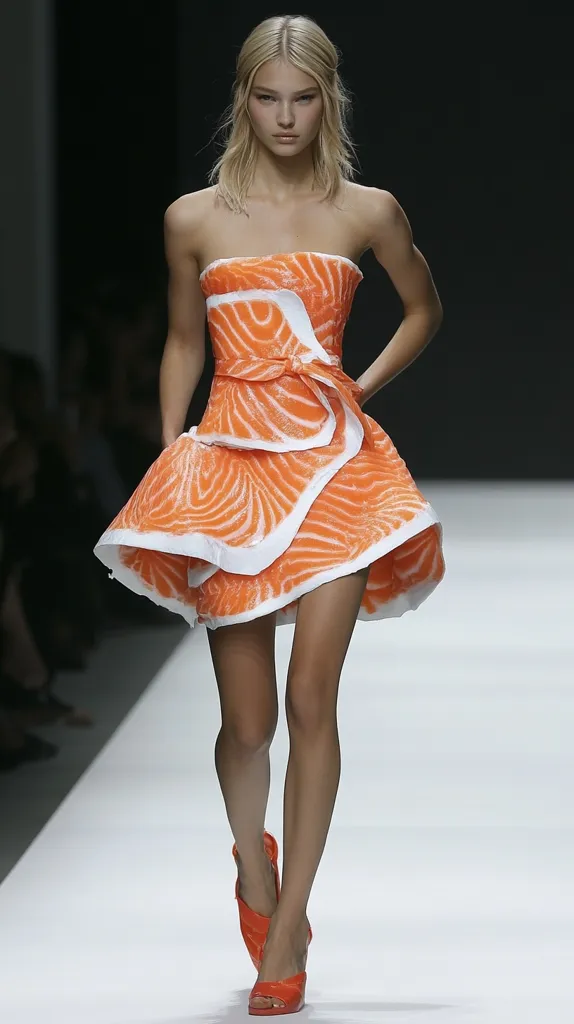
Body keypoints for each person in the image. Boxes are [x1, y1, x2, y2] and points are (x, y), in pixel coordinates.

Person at [94, 14, 445, 1015]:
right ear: (242, 98)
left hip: (335, 472)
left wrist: (360, 388)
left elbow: (424, 305)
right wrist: (174, 451)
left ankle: (287, 927)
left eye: (302, 98)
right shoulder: (192, 218)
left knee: (309, 704)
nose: (285, 117)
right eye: (267, 97)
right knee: (244, 726)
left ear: (325, 100)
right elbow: (179, 341)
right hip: (232, 473)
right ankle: (252, 862)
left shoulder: (365, 211)